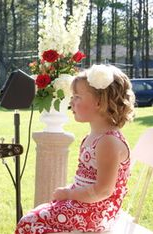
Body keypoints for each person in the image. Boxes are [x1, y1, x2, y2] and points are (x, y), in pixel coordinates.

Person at [15, 64, 135, 233]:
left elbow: (103, 190)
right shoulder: (93, 137)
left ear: (99, 102)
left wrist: (69, 194)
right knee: (35, 215)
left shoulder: (108, 142)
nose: (71, 101)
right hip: (85, 205)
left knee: (29, 222)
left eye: (77, 97)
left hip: (96, 212)